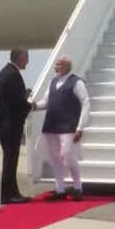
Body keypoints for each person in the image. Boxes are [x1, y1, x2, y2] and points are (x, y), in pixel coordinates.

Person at [31, 55, 89, 201]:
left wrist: (80, 126)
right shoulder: (53, 82)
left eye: (58, 64)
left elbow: (86, 102)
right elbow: (46, 102)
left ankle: (78, 187)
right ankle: (60, 189)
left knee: (68, 157)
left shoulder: (76, 82)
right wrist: (34, 106)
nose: (55, 66)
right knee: (55, 158)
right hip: (52, 124)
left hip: (68, 126)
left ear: (66, 66)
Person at [0, 48, 33, 204]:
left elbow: (12, 97)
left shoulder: (7, 72)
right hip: (9, 124)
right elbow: (16, 103)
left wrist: (23, 94)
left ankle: (12, 192)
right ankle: (7, 195)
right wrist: (31, 105)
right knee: (10, 160)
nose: (28, 62)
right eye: (26, 58)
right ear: (19, 58)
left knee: (10, 160)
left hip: (5, 123)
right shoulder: (12, 75)